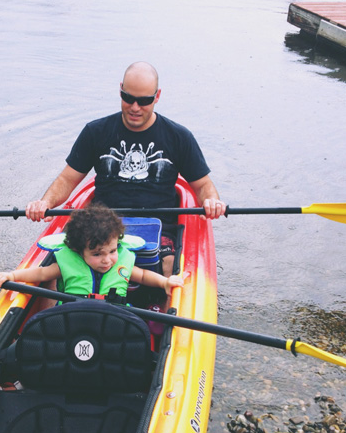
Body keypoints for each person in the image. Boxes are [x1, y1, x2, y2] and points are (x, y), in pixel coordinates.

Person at [25, 61, 226, 278]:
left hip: (158, 226)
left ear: (157, 96)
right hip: (102, 225)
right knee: (60, 266)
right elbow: (67, 179)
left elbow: (203, 185)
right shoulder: (95, 131)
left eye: (144, 101)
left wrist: (211, 201)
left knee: (170, 267)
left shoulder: (179, 137)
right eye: (128, 98)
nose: (135, 107)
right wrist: (45, 203)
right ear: (120, 90)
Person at [0, 203, 184, 301]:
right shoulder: (67, 262)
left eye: (112, 251)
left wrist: (165, 282)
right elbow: (41, 273)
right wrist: (12, 276)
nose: (107, 260)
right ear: (78, 250)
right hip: (73, 315)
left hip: (113, 316)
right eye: (97, 254)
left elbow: (143, 275)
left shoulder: (120, 263)